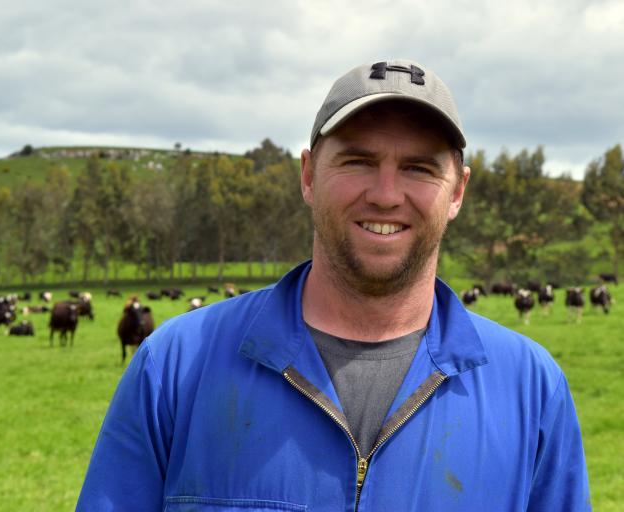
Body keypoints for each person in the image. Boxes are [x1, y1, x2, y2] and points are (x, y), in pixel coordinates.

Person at [77, 60, 591, 511]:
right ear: (308, 175)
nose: (387, 195)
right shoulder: (175, 366)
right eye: (358, 161)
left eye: (418, 168)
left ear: (457, 192)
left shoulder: (532, 390)